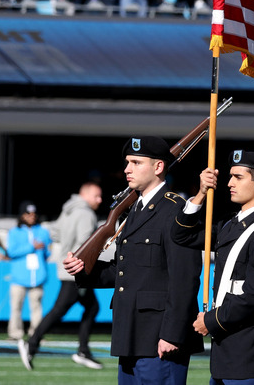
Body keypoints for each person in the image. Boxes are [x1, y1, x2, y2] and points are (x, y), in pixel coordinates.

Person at [63, 136, 203, 384]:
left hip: (160, 338)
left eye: (136, 162)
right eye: (128, 162)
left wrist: (172, 334)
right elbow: (125, 269)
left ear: (158, 167)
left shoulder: (176, 211)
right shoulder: (134, 210)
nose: (127, 169)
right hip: (130, 333)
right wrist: (84, 270)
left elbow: (185, 279)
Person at [170, 150, 254, 384]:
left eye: (238, 177)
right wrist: (200, 194)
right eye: (230, 176)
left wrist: (210, 321)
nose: (229, 183)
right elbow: (182, 236)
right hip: (224, 352)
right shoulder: (228, 225)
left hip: (248, 349)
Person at [19, 182, 104, 371]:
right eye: (96, 196)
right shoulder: (85, 213)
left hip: (66, 268)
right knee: (60, 310)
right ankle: (32, 343)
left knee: (91, 308)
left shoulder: (68, 210)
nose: (100, 200)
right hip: (77, 271)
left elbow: (55, 233)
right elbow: (86, 242)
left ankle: (83, 350)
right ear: (86, 195)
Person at [7, 201, 52, 341]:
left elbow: (47, 252)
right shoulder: (14, 232)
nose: (31, 216)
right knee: (16, 307)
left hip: (37, 276)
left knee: (37, 306)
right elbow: (11, 252)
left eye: (33, 214)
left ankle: (36, 334)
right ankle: (15, 333)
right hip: (19, 276)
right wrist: (31, 247)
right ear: (22, 215)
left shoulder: (43, 232)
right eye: (28, 214)